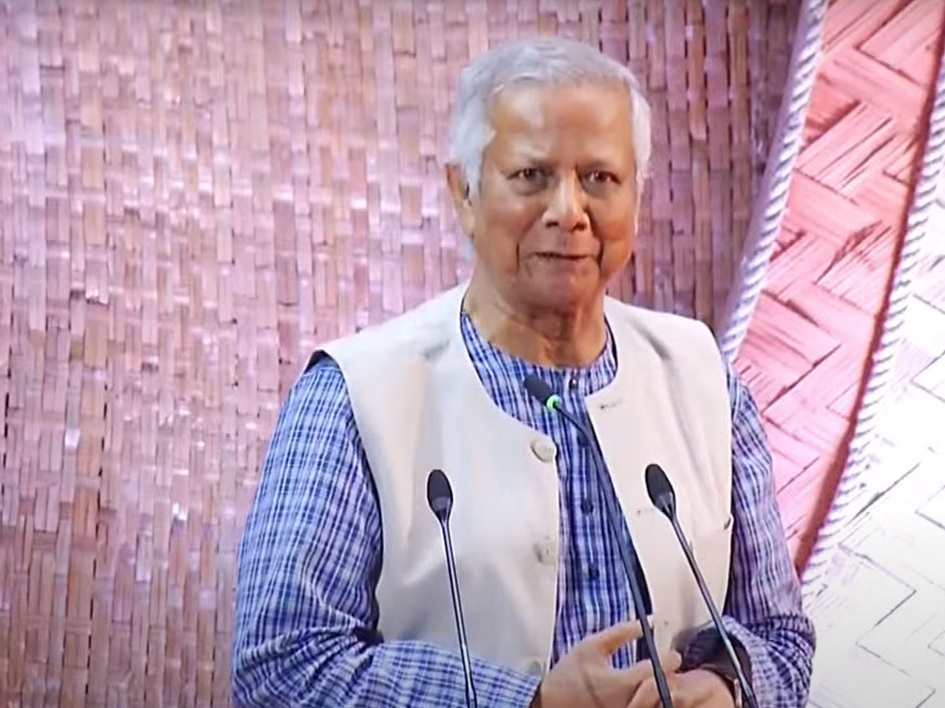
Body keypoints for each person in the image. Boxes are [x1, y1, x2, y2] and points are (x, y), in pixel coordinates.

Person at [231, 36, 815, 708]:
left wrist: (726, 687)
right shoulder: (353, 397)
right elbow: (280, 668)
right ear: (464, 192)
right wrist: (529, 702)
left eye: (599, 178)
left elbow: (781, 641)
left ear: (636, 197)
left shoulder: (703, 378)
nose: (568, 210)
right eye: (532, 176)